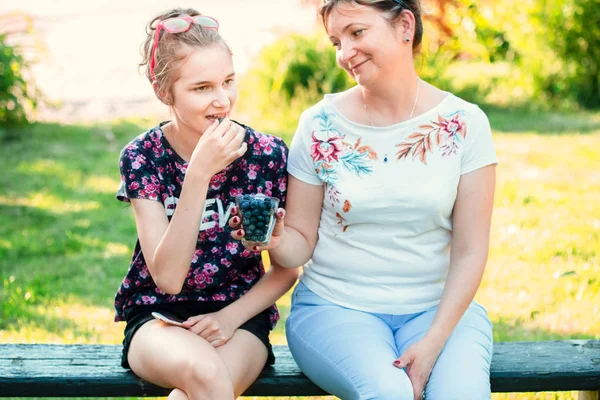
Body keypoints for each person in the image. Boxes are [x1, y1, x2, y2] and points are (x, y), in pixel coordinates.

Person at [231, 0, 498, 399]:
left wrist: (433, 343)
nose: (344, 54)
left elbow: (470, 252)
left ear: (405, 25)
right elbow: (299, 246)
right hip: (335, 309)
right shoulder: (319, 124)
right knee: (389, 394)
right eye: (336, 41)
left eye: (357, 33)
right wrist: (275, 240)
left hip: (440, 312)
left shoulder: (465, 124)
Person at [113, 8, 297, 400]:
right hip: (156, 318)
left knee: (201, 389)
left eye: (228, 82)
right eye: (201, 88)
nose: (222, 100)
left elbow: (287, 270)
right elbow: (167, 278)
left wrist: (228, 318)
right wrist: (197, 174)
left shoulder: (266, 154)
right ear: (165, 92)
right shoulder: (142, 157)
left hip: (240, 317)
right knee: (205, 372)